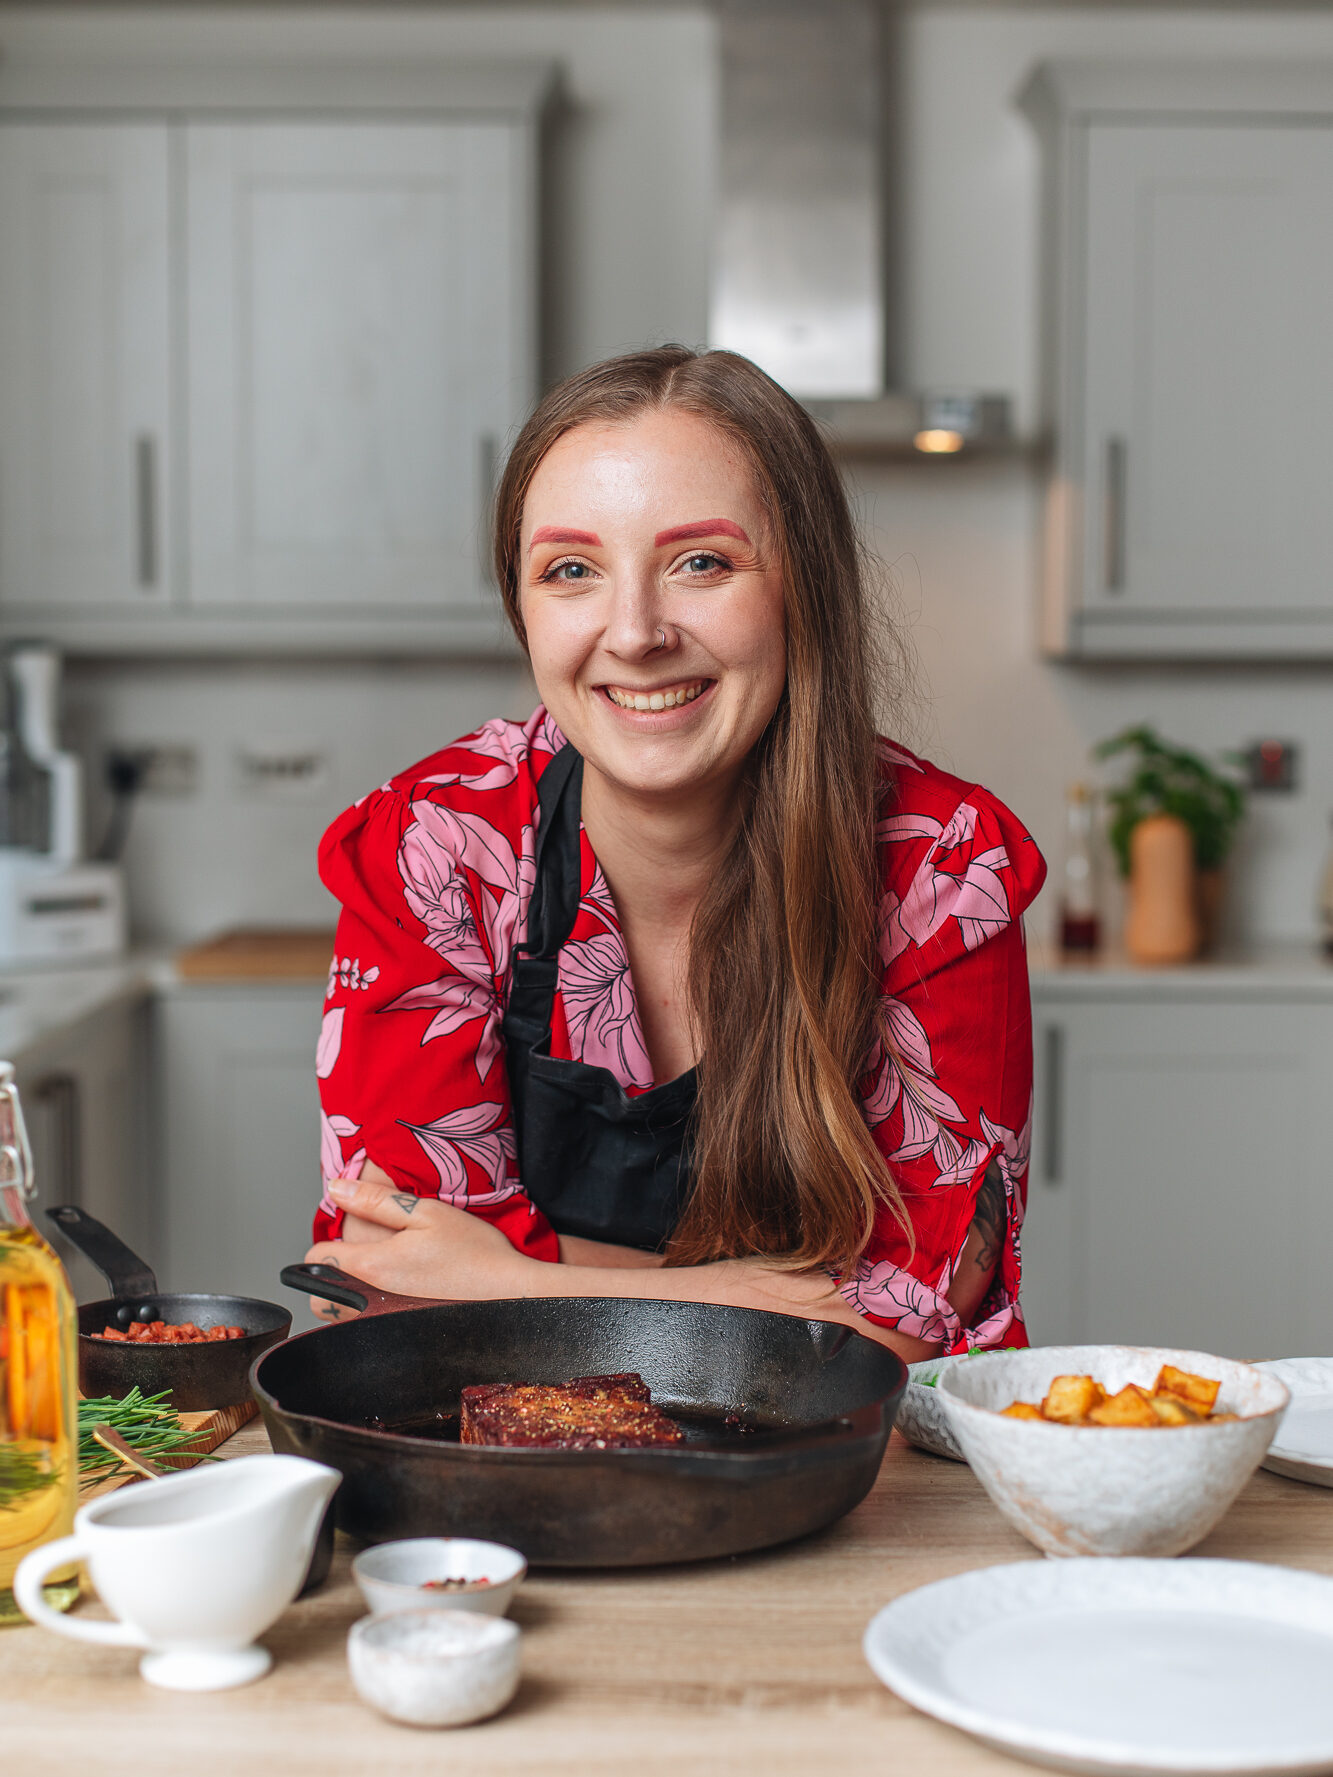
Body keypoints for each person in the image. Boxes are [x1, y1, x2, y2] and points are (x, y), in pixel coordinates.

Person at [308, 346, 1045, 1362]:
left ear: (804, 588)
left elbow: (917, 1311)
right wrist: (771, 1291)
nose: (636, 631)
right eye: (572, 569)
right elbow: (384, 1284)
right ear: (522, 607)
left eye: (701, 562)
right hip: (509, 1488)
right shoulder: (436, 845)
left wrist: (510, 1279)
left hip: (863, 1497)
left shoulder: (937, 869)